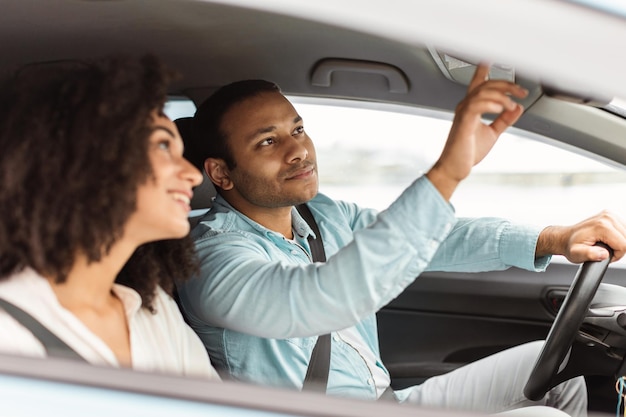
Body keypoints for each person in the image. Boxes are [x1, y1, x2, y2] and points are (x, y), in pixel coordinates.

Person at [175, 64, 626, 416]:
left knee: (559, 368)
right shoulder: (210, 258)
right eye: (267, 142)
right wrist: (449, 171)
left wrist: (555, 238)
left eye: (296, 130)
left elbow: (437, 237)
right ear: (219, 172)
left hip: (387, 403)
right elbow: (320, 299)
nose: (298, 151)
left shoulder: (323, 214)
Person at [0, 55, 218, 380]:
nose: (193, 175)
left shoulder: (154, 310)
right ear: (84, 160)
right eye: (162, 145)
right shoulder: (9, 327)